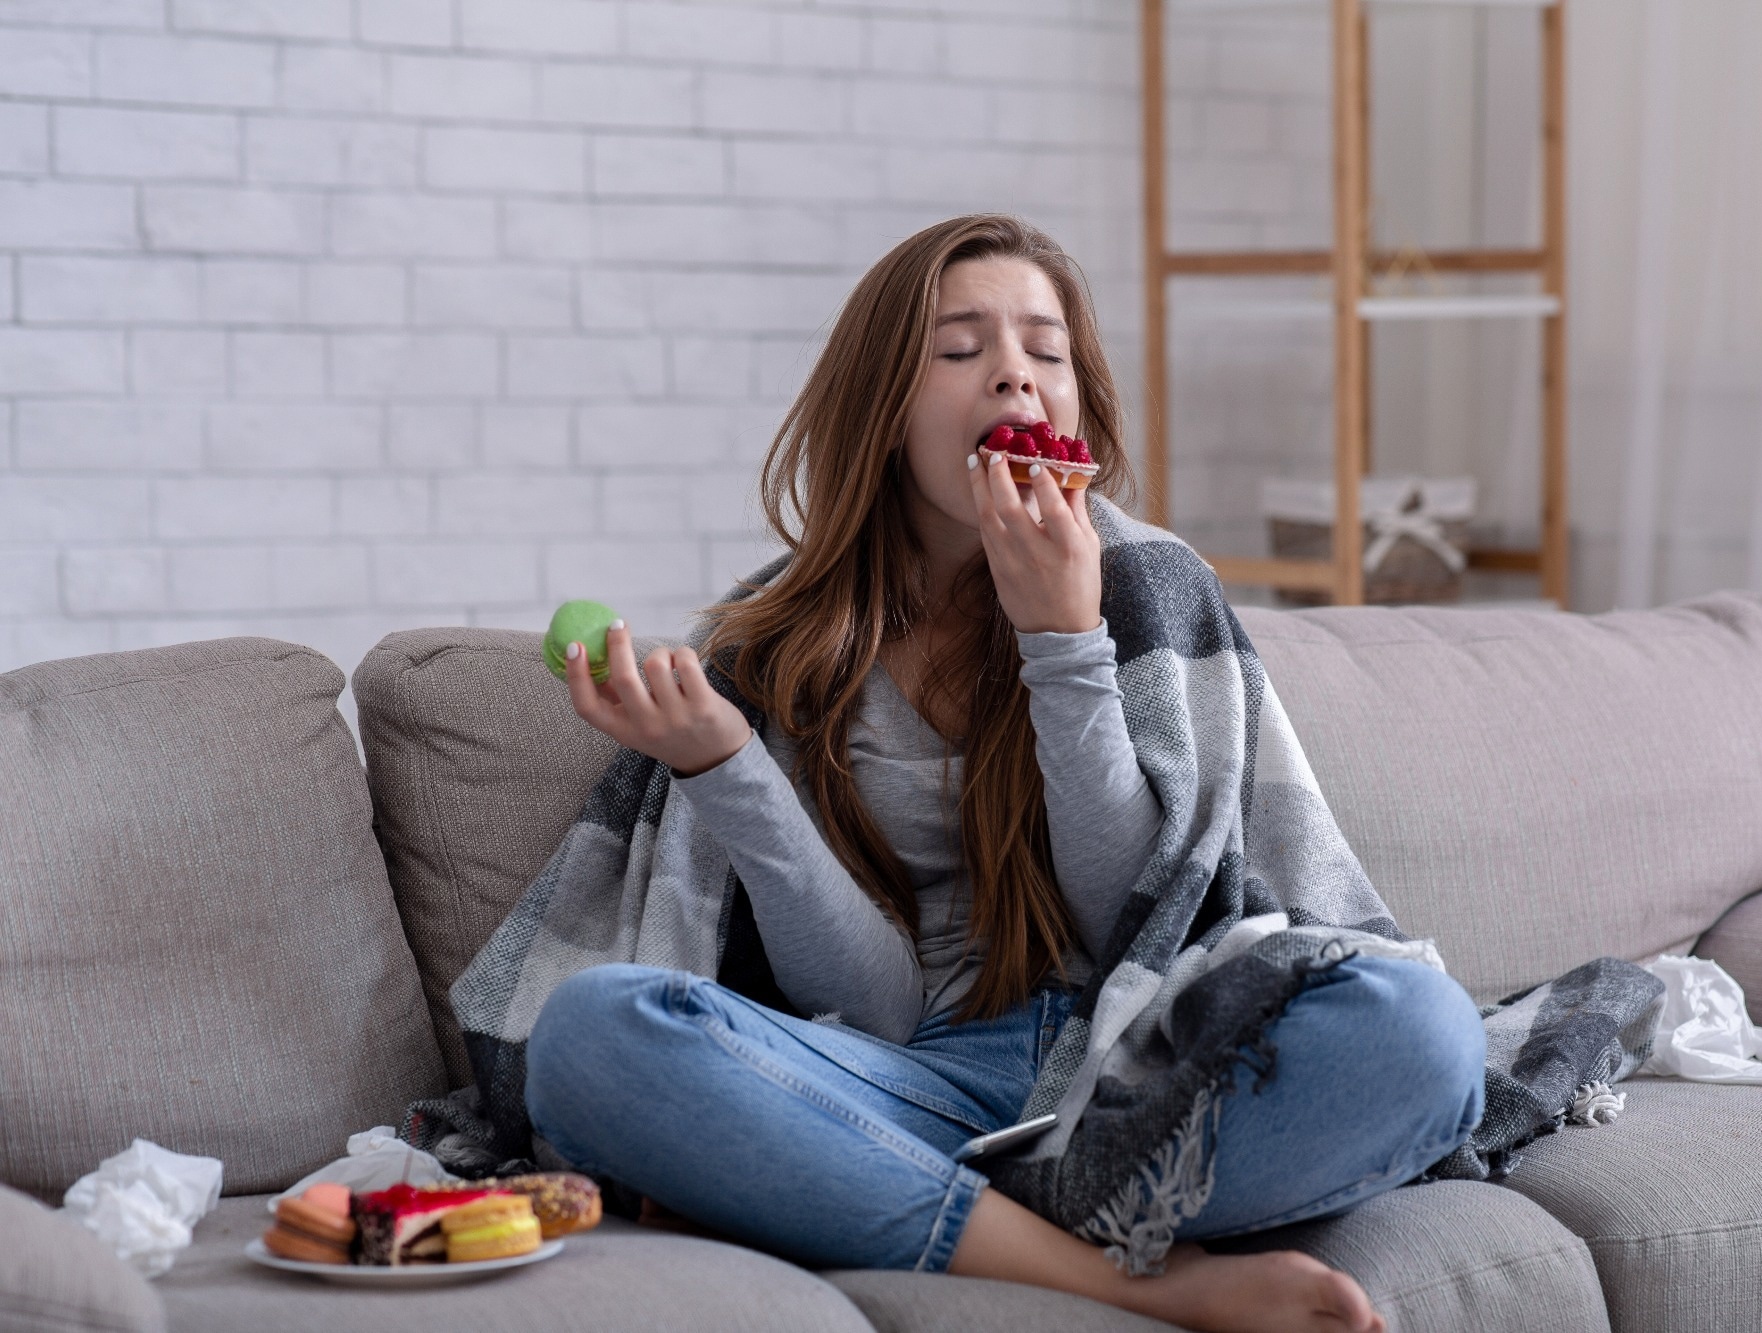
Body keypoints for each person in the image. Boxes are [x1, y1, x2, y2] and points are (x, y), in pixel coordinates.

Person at [522, 214, 1486, 1333]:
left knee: (1420, 1031)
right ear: (882, 405)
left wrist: (1062, 643)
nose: (1013, 376)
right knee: (592, 1034)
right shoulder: (775, 646)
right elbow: (877, 1009)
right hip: (905, 1080)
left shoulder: (1149, 589)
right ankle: (1136, 1275)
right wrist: (723, 765)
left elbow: (1144, 924)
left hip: (1145, 1066)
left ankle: (876, 1198)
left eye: (1045, 350)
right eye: (959, 348)